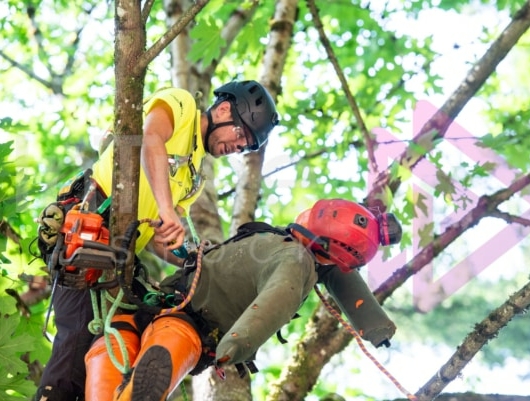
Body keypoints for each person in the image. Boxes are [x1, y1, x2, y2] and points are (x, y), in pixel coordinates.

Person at [34, 80, 280, 401]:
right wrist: (167, 211)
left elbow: (156, 238)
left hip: (121, 254)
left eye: (247, 146)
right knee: (77, 339)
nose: (238, 146)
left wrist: (194, 258)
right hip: (92, 223)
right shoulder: (182, 105)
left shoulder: (193, 177)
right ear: (223, 110)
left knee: (121, 343)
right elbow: (151, 138)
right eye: (241, 134)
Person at [83, 199, 402, 401]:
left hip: (164, 302)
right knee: (163, 344)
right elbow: (279, 300)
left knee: (114, 347)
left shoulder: (279, 243)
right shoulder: (298, 260)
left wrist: (375, 325)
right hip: (185, 315)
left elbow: (329, 279)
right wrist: (236, 345)